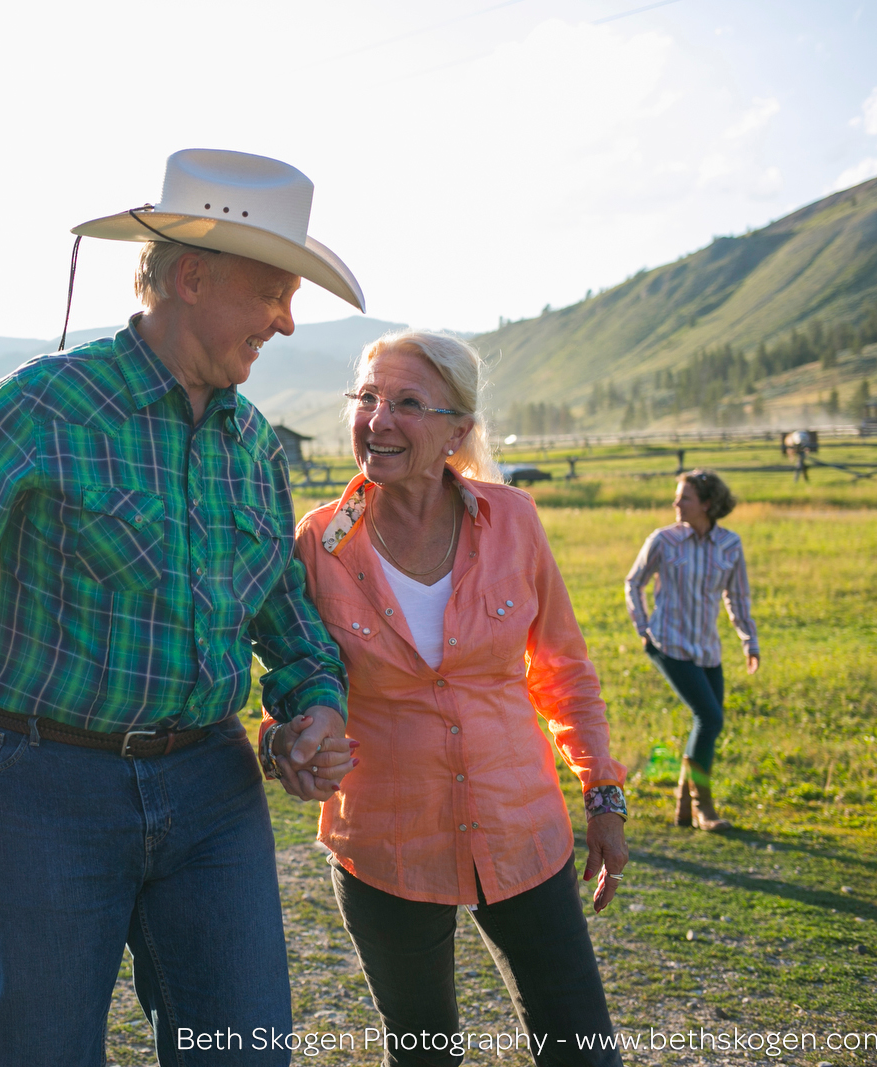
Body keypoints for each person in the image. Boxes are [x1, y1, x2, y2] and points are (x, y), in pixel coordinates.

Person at [0, 149, 363, 1066]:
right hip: (41, 784)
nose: (288, 323)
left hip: (213, 787)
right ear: (190, 275)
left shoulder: (253, 444)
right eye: (273, 292)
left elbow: (284, 612)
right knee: (42, 1051)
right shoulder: (45, 406)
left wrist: (317, 702)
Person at [265, 330, 629, 1067]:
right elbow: (297, 679)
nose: (378, 419)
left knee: (584, 1053)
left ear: (457, 431)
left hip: (520, 830)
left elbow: (562, 669)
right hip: (385, 845)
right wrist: (292, 740)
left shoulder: (512, 521)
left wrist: (603, 791)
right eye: (366, 398)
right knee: (424, 1054)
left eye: (406, 402)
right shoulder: (318, 543)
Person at [625, 469, 760, 832]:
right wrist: (644, 631)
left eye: (684, 497)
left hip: (707, 649)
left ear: (707, 504)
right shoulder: (664, 540)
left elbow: (738, 597)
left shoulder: (730, 545)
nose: (675, 503)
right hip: (668, 644)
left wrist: (750, 640)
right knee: (710, 718)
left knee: (711, 723)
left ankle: (685, 807)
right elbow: (633, 583)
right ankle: (704, 808)